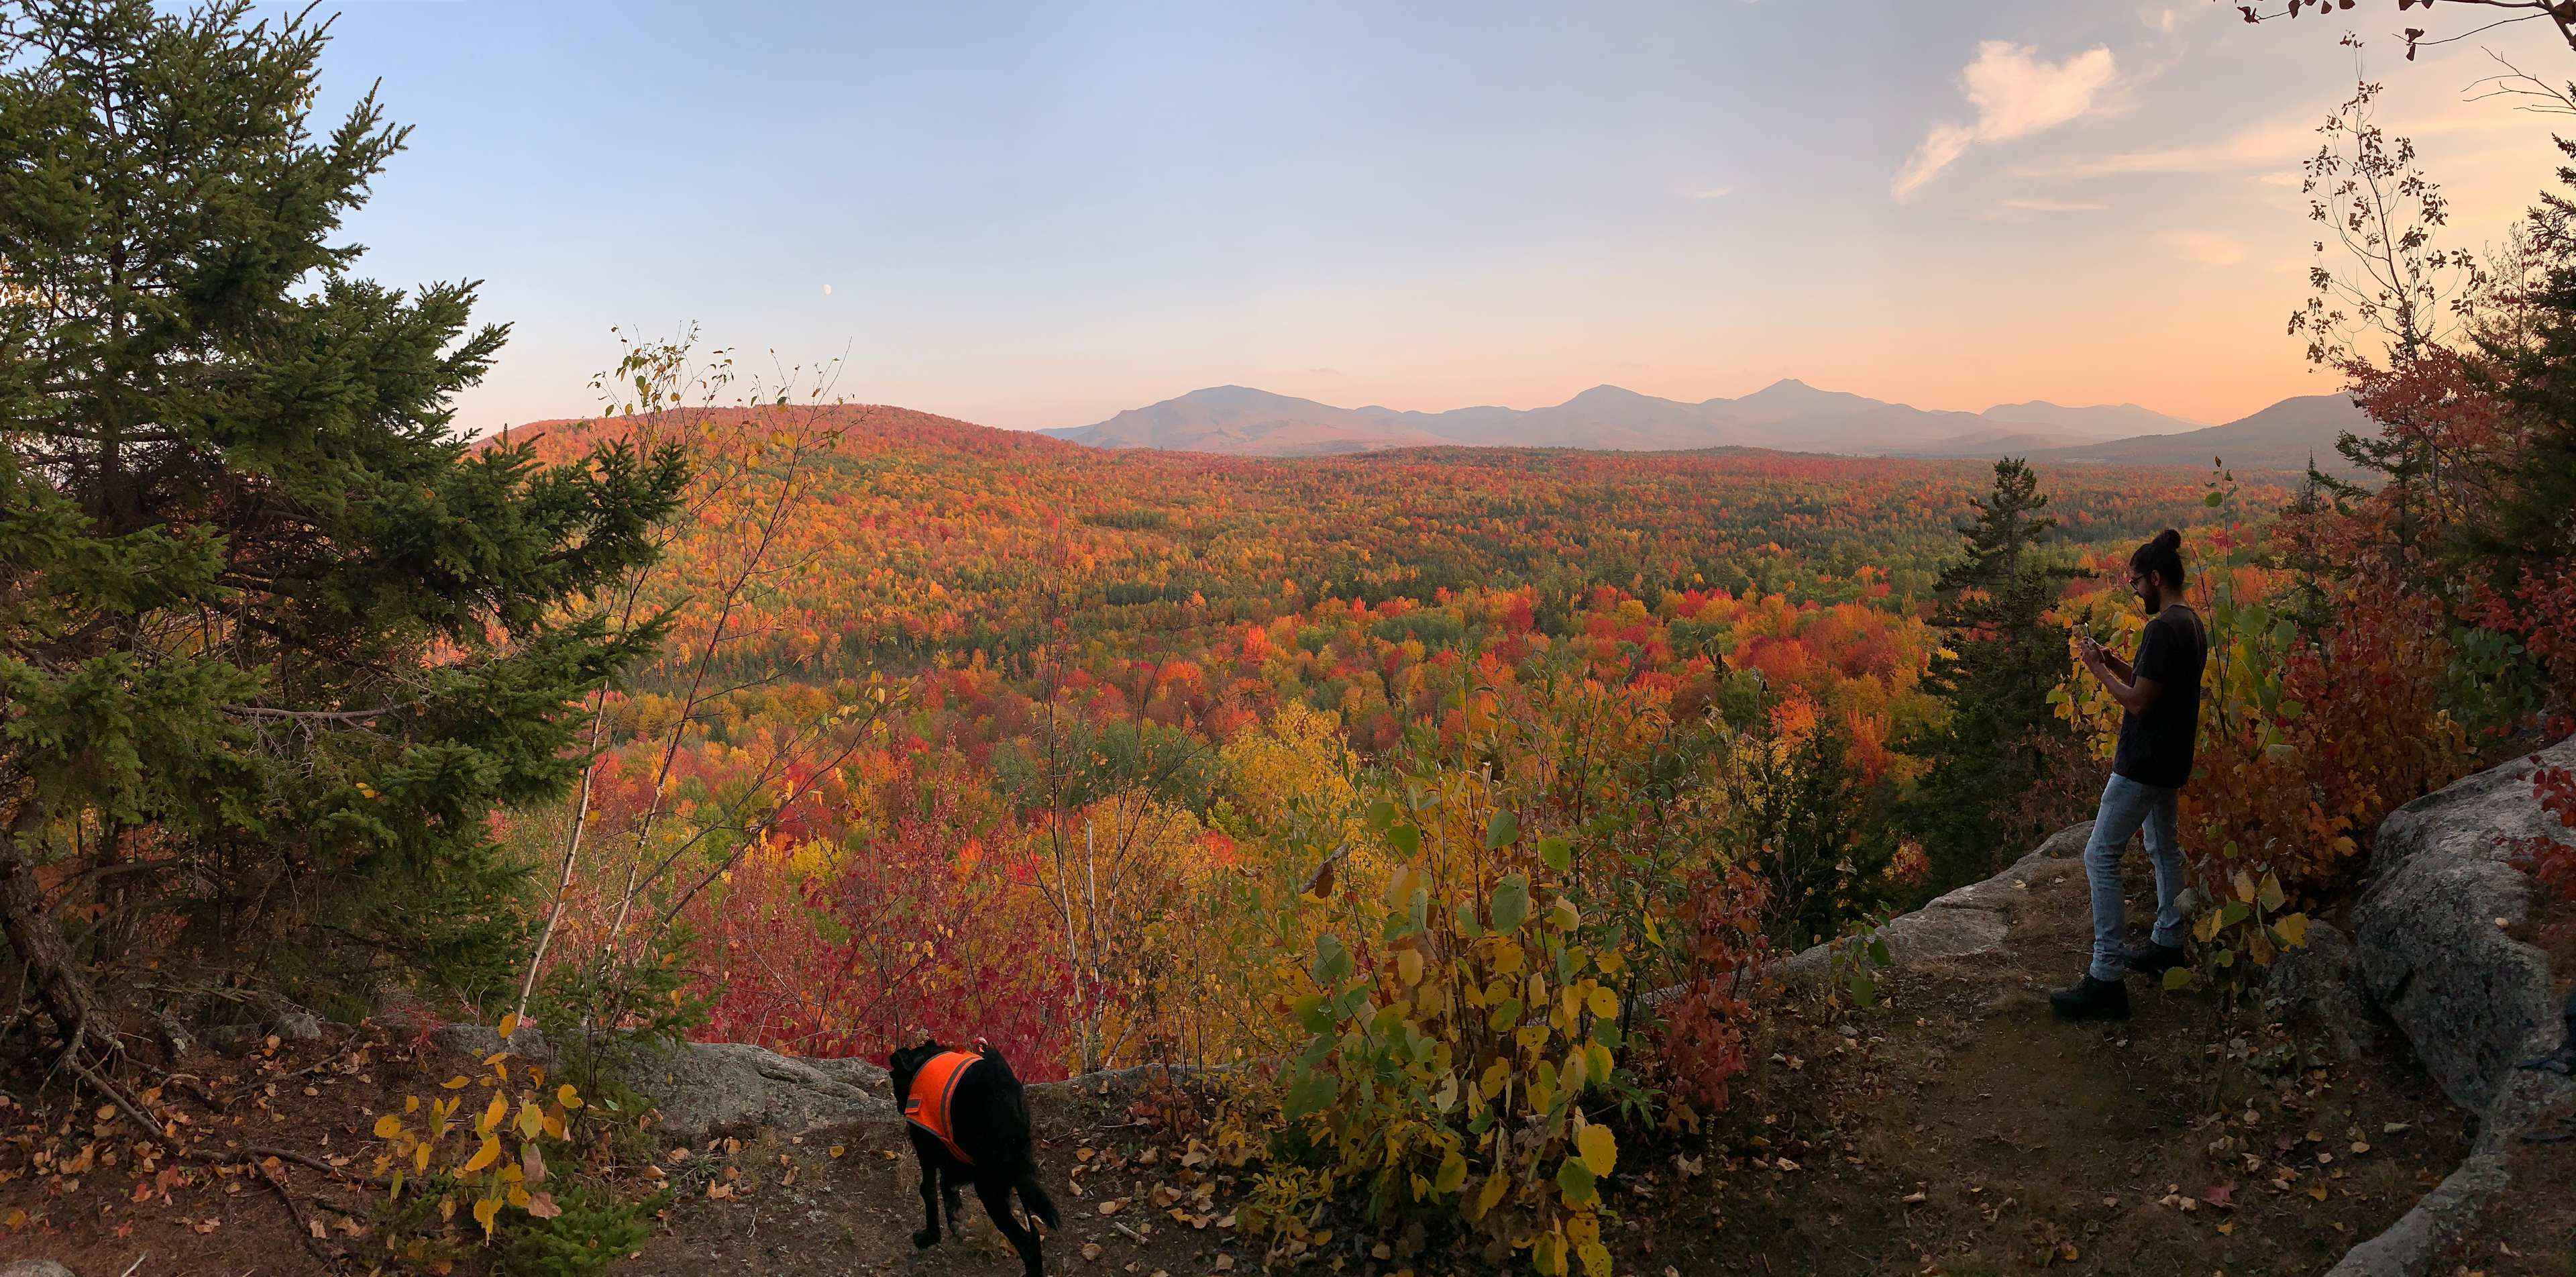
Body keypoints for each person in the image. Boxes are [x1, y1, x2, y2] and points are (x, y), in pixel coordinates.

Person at [2051, 528, 2208, 1021]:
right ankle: (2168, 943)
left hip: (2142, 763)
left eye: (2137, 583)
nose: (2135, 592)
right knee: (2164, 848)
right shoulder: (2190, 624)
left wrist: (2097, 674)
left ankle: (2106, 977)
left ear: (2156, 578)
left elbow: (2140, 702)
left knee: (2100, 854)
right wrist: (2112, 660)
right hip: (2171, 760)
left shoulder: (2161, 629)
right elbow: (2153, 681)